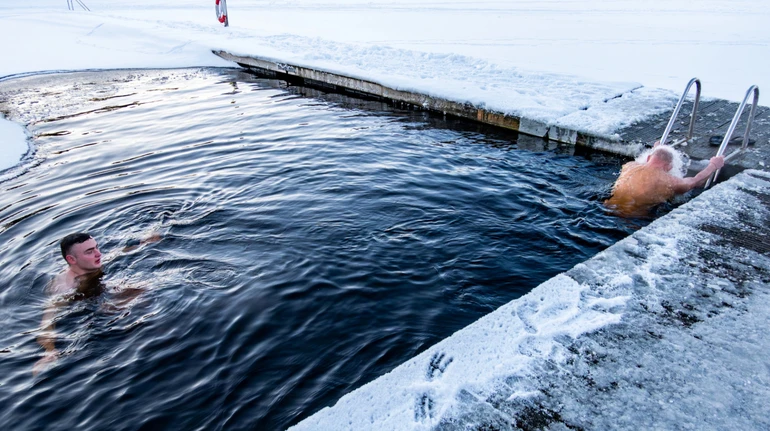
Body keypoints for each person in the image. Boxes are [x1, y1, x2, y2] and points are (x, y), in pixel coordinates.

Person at [34, 232, 160, 375]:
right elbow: (47, 321)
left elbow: (116, 254)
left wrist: (144, 243)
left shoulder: (92, 263)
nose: (98, 254)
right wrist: (49, 350)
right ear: (71, 259)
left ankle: (149, 331)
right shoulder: (64, 286)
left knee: (143, 289)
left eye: (96, 247)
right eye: (90, 251)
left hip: (102, 293)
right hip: (88, 309)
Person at [604, 144, 725, 218]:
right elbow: (696, 181)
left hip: (607, 208)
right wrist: (713, 165)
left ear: (649, 158)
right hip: (634, 219)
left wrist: (656, 148)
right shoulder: (670, 181)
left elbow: (647, 165)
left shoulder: (629, 165)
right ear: (669, 167)